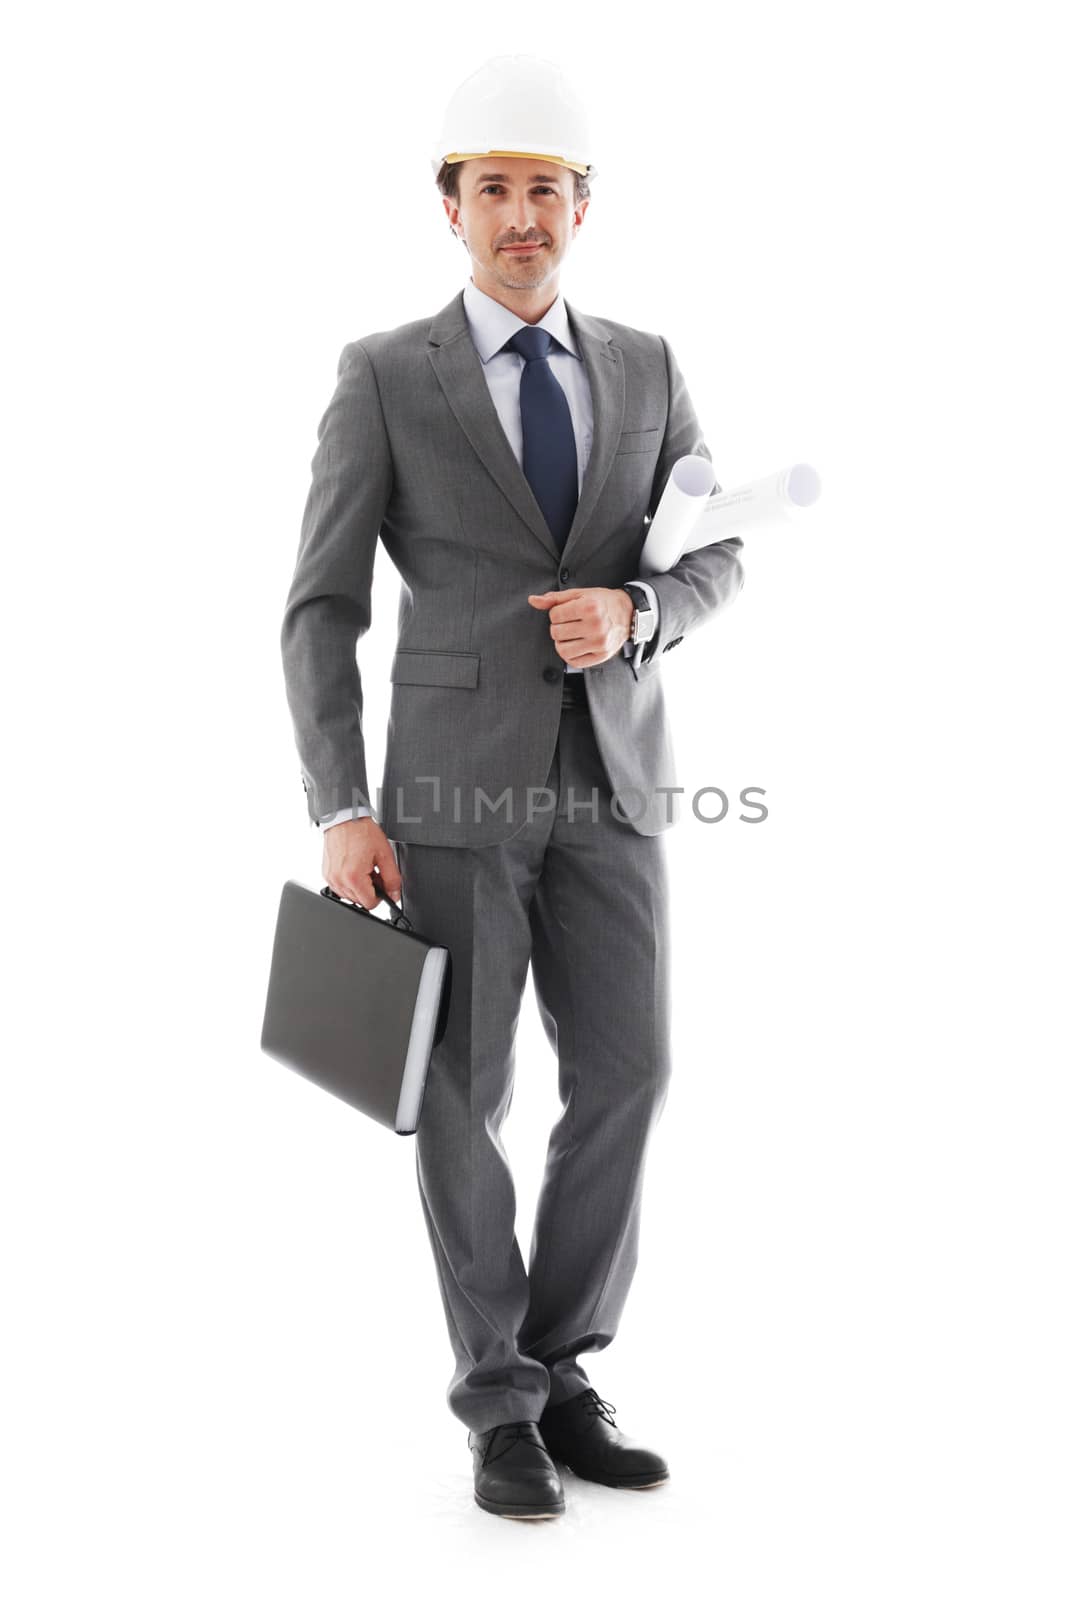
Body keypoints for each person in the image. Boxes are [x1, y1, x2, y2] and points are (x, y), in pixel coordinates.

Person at [280, 54, 745, 1520]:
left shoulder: (653, 369)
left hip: (612, 782)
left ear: (582, 208)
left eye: (546, 189)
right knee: (463, 1093)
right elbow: (320, 608)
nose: (522, 215)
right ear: (452, 209)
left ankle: (557, 1362)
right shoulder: (383, 376)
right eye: (495, 190)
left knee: (631, 1071)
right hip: (445, 798)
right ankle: (495, 1403)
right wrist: (341, 805)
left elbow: (717, 552)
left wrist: (640, 613)